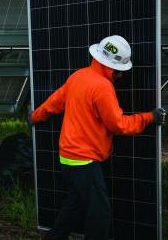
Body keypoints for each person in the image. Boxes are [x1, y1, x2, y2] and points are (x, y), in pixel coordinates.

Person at [28, 35, 166, 240]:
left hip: (68, 156)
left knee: (75, 203)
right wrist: (149, 117)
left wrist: (34, 116)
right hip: (84, 160)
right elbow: (118, 125)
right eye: (120, 73)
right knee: (100, 212)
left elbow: (53, 102)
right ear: (112, 68)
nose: (120, 77)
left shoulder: (78, 76)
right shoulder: (103, 87)